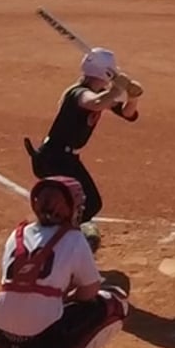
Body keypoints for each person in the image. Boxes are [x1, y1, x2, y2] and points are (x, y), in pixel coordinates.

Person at [0, 177, 131, 348]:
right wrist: (68, 294)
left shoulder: (16, 235)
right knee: (114, 303)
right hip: (43, 342)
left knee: (17, 296)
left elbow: (25, 283)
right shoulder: (74, 238)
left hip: (0, 334)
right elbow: (89, 294)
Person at [23, 48, 143, 253]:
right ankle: (56, 242)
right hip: (55, 158)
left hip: (64, 159)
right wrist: (117, 88)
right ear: (107, 73)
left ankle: (58, 239)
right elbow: (95, 103)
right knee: (88, 203)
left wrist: (132, 97)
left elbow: (127, 113)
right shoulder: (78, 93)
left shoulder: (97, 94)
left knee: (86, 203)